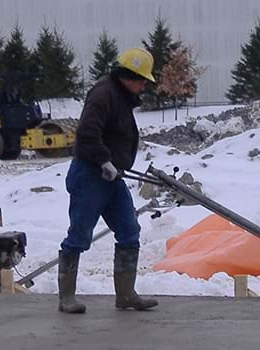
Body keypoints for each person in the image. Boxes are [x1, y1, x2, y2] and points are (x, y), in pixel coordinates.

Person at [57, 48, 158, 314]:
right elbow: (87, 133)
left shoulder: (121, 95)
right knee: (79, 235)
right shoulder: (104, 94)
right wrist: (104, 161)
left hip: (112, 177)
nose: (144, 85)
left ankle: (125, 295)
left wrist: (114, 165)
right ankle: (66, 298)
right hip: (90, 175)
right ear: (128, 75)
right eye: (142, 79)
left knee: (129, 230)